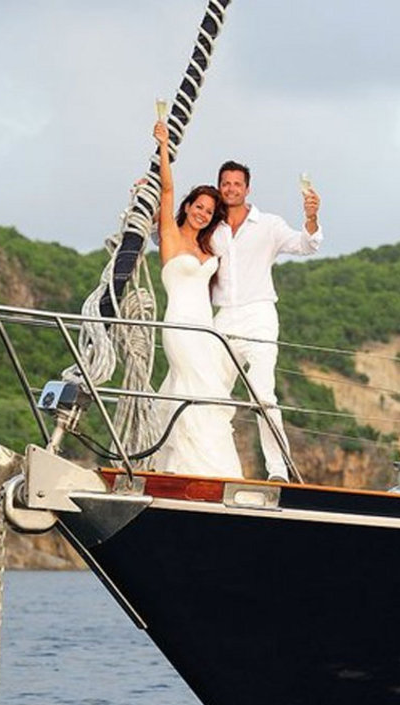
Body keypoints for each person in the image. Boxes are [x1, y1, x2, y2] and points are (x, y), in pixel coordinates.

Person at [211, 160, 322, 482]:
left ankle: (278, 470)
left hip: (259, 315)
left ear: (247, 189)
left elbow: (306, 245)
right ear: (219, 187)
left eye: (237, 183)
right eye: (226, 183)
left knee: (263, 395)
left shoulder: (268, 224)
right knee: (211, 393)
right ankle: (212, 466)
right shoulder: (211, 226)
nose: (231, 188)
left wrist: (311, 217)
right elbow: (174, 241)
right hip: (223, 318)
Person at [152, 121, 243, 479]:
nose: (202, 213)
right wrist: (163, 145)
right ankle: (199, 470)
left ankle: (199, 471)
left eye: (208, 211)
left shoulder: (208, 247)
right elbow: (167, 189)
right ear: (188, 206)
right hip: (179, 325)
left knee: (210, 391)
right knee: (195, 388)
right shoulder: (170, 236)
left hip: (206, 329)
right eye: (198, 206)